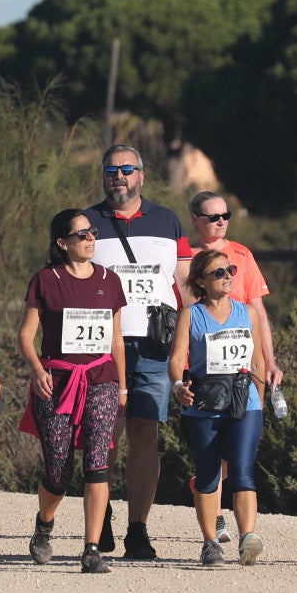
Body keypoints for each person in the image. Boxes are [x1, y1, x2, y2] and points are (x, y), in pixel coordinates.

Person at [84, 144, 191, 560]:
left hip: (153, 346)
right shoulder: (87, 222)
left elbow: (183, 286)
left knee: (146, 435)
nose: (119, 177)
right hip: (100, 347)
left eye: (127, 169)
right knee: (104, 438)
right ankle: (102, 516)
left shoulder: (167, 220)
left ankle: (139, 530)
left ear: (141, 176)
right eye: (111, 170)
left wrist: (190, 340)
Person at [16, 210, 128, 574]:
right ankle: (44, 524)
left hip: (100, 379)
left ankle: (91, 549)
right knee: (59, 470)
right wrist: (36, 371)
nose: (90, 238)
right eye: (81, 234)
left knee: (97, 463)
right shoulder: (46, 280)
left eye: (92, 232)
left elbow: (116, 340)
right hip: (57, 381)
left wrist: (122, 386)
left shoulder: (110, 280)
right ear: (62, 243)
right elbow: (25, 335)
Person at [169, 247, 272, 566]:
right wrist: (178, 387)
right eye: (219, 273)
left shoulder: (248, 313)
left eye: (230, 271)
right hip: (203, 406)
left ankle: (247, 538)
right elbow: (176, 360)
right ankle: (211, 543)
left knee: (242, 472)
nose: (227, 277)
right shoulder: (191, 315)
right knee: (208, 475)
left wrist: (261, 400)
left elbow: (257, 360)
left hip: (245, 402)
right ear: (201, 280)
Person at [186, 190, 278, 544]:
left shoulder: (242, 255)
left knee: (241, 443)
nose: (221, 221)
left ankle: (240, 528)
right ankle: (215, 516)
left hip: (241, 367)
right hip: (202, 368)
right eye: (213, 216)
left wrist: (268, 362)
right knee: (210, 450)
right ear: (196, 218)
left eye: (225, 215)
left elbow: (259, 311)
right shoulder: (184, 258)